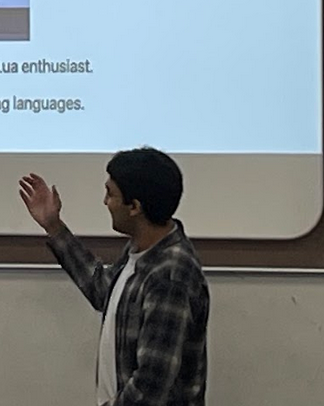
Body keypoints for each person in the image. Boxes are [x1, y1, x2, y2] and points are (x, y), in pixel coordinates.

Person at [18, 147, 209, 406]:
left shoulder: (170, 275)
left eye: (111, 194)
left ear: (134, 207)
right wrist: (54, 226)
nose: (105, 202)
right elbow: (104, 292)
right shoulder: (140, 250)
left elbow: (150, 386)